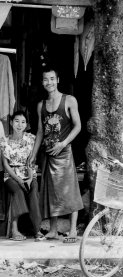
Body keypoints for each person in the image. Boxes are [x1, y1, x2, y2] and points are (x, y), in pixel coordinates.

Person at [28, 65, 83, 243]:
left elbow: (78, 126)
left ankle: (73, 230)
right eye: (45, 79)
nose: (49, 82)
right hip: (47, 155)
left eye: (52, 78)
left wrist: (63, 143)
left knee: (70, 192)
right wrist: (33, 154)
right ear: (42, 82)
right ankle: (53, 230)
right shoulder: (41, 105)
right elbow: (40, 132)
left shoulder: (69, 100)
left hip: (64, 153)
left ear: (57, 80)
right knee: (50, 193)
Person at [0, 111, 43, 241]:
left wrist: (30, 178)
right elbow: (6, 165)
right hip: (11, 175)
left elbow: (31, 160)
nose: (20, 124)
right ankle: (14, 230)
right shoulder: (4, 141)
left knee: (34, 189)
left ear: (26, 125)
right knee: (17, 191)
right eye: (17, 121)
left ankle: (37, 230)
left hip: (28, 173)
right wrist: (18, 179)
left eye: (23, 122)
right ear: (12, 123)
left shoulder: (30, 139)